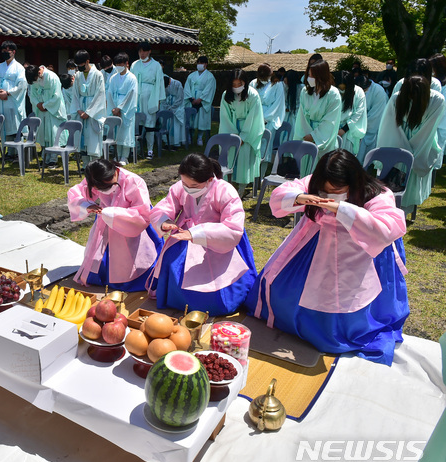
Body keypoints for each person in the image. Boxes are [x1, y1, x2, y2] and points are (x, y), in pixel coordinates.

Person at [245, 149, 409, 365]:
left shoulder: (377, 193)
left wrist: (344, 209)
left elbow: (389, 227)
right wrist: (301, 197)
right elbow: (280, 195)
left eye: (337, 190)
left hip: (360, 251)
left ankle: (331, 330)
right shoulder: (315, 182)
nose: (329, 195)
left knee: (338, 301)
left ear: (353, 181)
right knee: (283, 291)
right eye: (324, 190)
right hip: (313, 243)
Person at [147, 153, 257, 315]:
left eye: (194, 186)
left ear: (210, 180)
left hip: (217, 241)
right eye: (184, 183)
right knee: (172, 264)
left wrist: (197, 233)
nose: (187, 188)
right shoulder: (181, 187)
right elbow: (166, 206)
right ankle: (178, 301)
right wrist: (164, 221)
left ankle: (211, 304)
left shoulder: (225, 191)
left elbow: (233, 227)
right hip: (184, 237)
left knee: (217, 281)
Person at [67, 159, 162, 291]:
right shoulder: (95, 178)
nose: (104, 190)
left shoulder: (133, 181)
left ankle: (131, 280)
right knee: (102, 258)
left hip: (131, 223)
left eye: (107, 186)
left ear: (115, 172)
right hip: (105, 219)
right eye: (99, 188)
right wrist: (87, 205)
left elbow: (142, 213)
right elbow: (76, 193)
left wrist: (112, 213)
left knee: (132, 261)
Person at [377, 75, 446, 211]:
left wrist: (412, 155)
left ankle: (404, 212)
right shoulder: (397, 98)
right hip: (396, 144)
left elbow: (428, 130)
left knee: (410, 183)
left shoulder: (436, 100)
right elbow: (390, 126)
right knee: (392, 181)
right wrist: (402, 152)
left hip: (421, 146)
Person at [218, 69, 265, 193]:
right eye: (234, 85)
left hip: (248, 130)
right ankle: (228, 185)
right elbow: (225, 116)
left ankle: (242, 187)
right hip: (232, 128)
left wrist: (243, 137)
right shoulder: (226, 95)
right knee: (230, 154)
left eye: (240, 84)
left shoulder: (253, 95)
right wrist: (233, 136)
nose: (237, 87)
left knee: (244, 156)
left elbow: (254, 117)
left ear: (245, 82)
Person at [293, 59, 341, 169]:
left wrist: (314, 136)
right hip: (306, 133)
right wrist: (306, 134)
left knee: (321, 169)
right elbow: (302, 116)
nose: (309, 78)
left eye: (312, 76)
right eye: (308, 75)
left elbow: (330, 120)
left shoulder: (333, 94)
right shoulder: (305, 92)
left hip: (324, 137)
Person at [25, 64, 67, 167]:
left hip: (53, 110)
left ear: (39, 72)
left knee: (53, 134)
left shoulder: (52, 77)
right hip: (41, 110)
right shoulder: (34, 79)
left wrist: (45, 105)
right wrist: (38, 104)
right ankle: (45, 157)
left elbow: (57, 96)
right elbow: (32, 94)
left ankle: (53, 159)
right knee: (43, 134)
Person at [71, 49, 107, 167]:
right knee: (82, 138)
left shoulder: (98, 75)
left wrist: (89, 112)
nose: (79, 67)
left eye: (81, 64)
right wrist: (79, 110)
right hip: (81, 107)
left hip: (93, 111)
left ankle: (95, 165)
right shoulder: (78, 75)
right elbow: (75, 94)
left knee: (93, 137)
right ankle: (85, 165)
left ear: (87, 61)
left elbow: (100, 94)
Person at [0, 40, 27, 156]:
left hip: (12, 101)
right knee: (4, 126)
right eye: (4, 50)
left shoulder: (19, 68)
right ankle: (8, 152)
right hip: (1, 102)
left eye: (8, 50)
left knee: (15, 128)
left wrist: (8, 92)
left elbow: (21, 85)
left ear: (14, 52)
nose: (6, 53)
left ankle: (17, 153)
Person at [131, 42, 165, 159]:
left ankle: (150, 149)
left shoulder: (156, 65)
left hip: (151, 95)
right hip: (137, 95)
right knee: (137, 123)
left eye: (144, 51)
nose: (142, 53)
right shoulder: (135, 64)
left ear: (149, 51)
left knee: (150, 124)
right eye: (140, 51)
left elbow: (160, 83)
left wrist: (158, 100)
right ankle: (136, 148)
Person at [106, 52, 138, 166]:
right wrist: (113, 108)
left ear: (126, 64)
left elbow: (131, 94)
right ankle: (117, 155)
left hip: (126, 109)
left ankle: (125, 156)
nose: (119, 66)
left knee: (126, 132)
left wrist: (120, 108)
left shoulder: (132, 78)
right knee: (117, 132)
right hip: (115, 107)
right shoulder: (113, 78)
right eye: (117, 64)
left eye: (121, 64)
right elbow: (109, 93)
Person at [250, 63, 285, 155]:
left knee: (265, 146)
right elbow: (249, 101)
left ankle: (264, 166)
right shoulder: (253, 83)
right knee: (253, 144)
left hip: (269, 119)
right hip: (254, 117)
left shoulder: (277, 85)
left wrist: (265, 119)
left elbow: (278, 104)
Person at [183, 55, 216, 147]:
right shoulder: (191, 76)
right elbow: (187, 87)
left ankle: (200, 137)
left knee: (202, 120)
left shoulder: (210, 77)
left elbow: (209, 89)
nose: (199, 65)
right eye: (198, 63)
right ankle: (190, 136)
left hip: (202, 101)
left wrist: (201, 99)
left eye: (201, 63)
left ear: (206, 64)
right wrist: (190, 98)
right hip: (192, 99)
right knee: (191, 120)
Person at [356, 75, 388, 163]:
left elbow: (376, 116)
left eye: (364, 90)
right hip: (357, 126)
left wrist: (360, 126)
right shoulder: (356, 91)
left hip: (372, 128)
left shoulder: (378, 91)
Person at [338, 71, 367, 156]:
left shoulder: (358, 92)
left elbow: (358, 113)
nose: (342, 91)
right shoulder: (333, 91)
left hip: (348, 131)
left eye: (344, 88)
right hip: (333, 129)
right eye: (340, 88)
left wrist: (343, 130)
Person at [162, 75, 185, 150]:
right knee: (168, 124)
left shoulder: (177, 84)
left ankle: (176, 143)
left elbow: (180, 97)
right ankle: (167, 142)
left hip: (177, 107)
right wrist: (168, 107)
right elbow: (163, 97)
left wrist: (173, 107)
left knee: (176, 125)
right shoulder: (163, 84)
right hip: (168, 105)